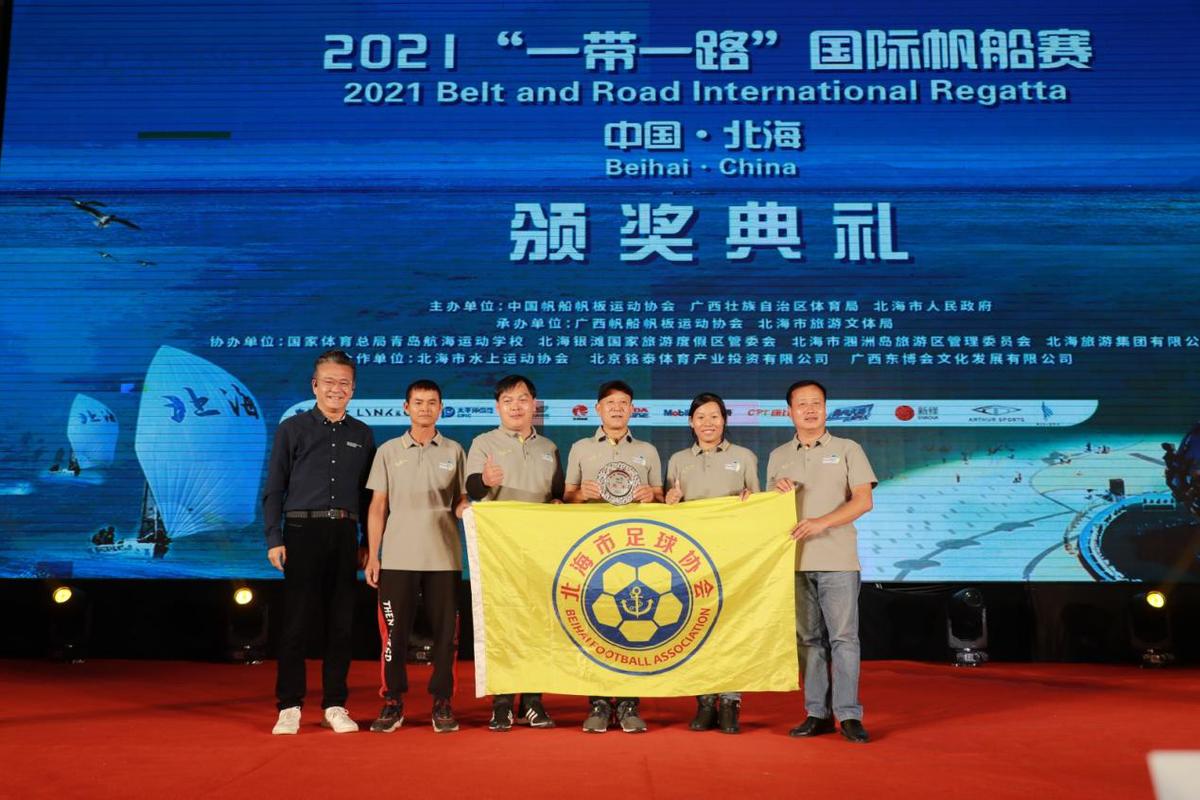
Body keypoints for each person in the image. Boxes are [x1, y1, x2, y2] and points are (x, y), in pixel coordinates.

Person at [264, 349, 375, 735]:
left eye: (344, 383)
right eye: (329, 382)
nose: (336, 389)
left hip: (344, 534)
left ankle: (335, 704)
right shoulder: (292, 429)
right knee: (295, 624)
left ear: (353, 389)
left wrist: (367, 542)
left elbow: (367, 496)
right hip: (301, 531)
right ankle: (289, 706)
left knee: (341, 624)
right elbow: (274, 488)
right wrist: (274, 537)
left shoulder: (362, 434)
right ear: (314, 385)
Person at [767, 380, 877, 744]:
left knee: (844, 638)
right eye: (802, 404)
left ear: (826, 408)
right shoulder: (778, 456)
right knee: (808, 640)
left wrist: (822, 523)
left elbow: (863, 500)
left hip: (838, 559)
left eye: (816, 403)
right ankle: (817, 712)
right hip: (794, 561)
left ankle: (849, 715)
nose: (810, 409)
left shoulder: (848, 448)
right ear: (790, 412)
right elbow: (767, 512)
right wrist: (773, 495)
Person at [365, 380, 467, 734]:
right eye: (418, 402)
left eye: (432, 402)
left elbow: (461, 500)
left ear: (441, 408)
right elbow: (378, 506)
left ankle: (443, 701)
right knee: (394, 635)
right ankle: (393, 700)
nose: (425, 408)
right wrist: (373, 556)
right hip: (397, 558)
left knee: (446, 636)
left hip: (444, 558)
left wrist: (469, 506)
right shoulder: (388, 451)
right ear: (406, 407)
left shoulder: (455, 450)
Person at [464, 374, 564, 732]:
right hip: (500, 552)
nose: (516, 406)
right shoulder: (483, 443)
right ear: (498, 407)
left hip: (539, 552)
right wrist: (485, 481)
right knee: (503, 625)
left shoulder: (549, 447)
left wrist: (558, 503)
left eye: (523, 399)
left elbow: (557, 496)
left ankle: (533, 702)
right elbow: (472, 489)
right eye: (508, 400)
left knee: (539, 624)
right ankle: (502, 703)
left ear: (533, 405)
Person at [564, 380, 663, 733]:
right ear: (598, 409)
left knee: (635, 626)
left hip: (637, 553)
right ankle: (599, 702)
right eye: (610, 403)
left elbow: (662, 496)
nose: (617, 408)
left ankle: (629, 703)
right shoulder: (580, 448)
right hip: (593, 552)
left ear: (632, 409)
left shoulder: (648, 450)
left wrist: (652, 496)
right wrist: (581, 495)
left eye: (624, 403)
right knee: (597, 623)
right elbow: (565, 497)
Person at [664, 392, 759, 734]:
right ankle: (705, 701)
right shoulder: (678, 460)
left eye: (714, 416)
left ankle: (731, 701)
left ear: (724, 420)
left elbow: (760, 508)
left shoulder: (744, 457)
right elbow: (668, 515)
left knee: (732, 628)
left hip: (735, 558)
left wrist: (751, 501)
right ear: (691, 422)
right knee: (698, 628)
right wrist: (670, 501)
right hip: (693, 562)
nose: (708, 423)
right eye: (701, 417)